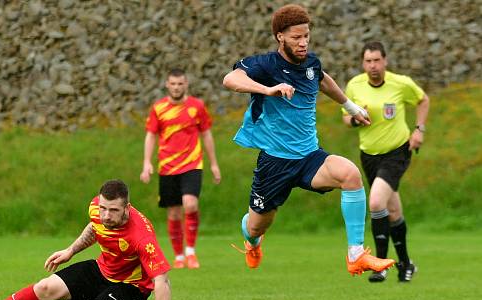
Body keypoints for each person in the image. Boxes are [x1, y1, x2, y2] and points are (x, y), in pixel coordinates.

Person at [222, 4, 396, 275]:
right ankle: (252, 242)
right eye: (296, 37)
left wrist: (351, 108)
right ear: (280, 36)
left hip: (309, 157)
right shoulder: (266, 65)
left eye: (306, 37)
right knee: (257, 225)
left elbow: (322, 80)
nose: (303, 43)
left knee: (350, 174)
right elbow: (231, 79)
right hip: (274, 163)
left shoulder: (311, 63)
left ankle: (356, 254)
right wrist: (269, 90)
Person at [0, 180, 171, 300]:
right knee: (44, 287)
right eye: (103, 208)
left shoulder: (142, 236)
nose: (105, 215)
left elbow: (161, 280)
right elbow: (94, 228)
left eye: (113, 210)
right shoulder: (97, 208)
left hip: (130, 286)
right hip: (102, 269)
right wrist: (70, 251)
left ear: (127, 208)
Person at [342, 41, 429, 283]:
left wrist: (419, 130)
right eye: (368, 61)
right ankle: (406, 264)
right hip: (369, 155)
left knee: (376, 201)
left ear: (385, 61)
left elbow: (423, 100)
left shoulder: (400, 84)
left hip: (397, 152)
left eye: (377, 60)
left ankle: (380, 266)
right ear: (363, 63)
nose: (373, 66)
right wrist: (358, 119)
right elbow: (346, 120)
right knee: (392, 211)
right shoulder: (354, 86)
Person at [140, 68, 221, 269]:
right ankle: (178, 256)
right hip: (167, 167)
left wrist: (214, 164)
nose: (176, 87)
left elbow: (207, 134)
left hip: (192, 164)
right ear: (167, 85)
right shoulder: (158, 108)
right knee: (174, 213)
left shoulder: (197, 106)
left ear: (186, 84)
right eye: (173, 83)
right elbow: (151, 135)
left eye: (180, 83)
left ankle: (191, 252)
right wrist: (146, 162)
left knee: (191, 204)